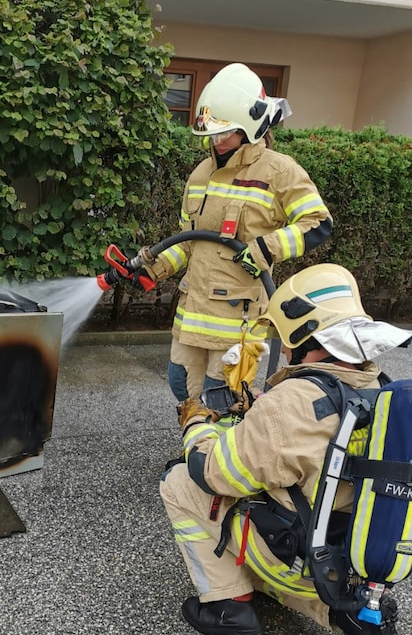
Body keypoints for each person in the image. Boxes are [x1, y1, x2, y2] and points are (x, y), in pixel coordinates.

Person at [159, 263, 410, 635]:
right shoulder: (379, 392)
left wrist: (196, 424)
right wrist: (260, 412)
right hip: (349, 564)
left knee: (178, 482)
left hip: (292, 555)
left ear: (304, 336)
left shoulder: (291, 405)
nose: (284, 349)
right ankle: (346, 615)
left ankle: (229, 606)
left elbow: (215, 474)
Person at [140, 62, 333, 402]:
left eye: (226, 131)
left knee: (222, 397)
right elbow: (188, 242)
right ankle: (198, 452)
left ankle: (221, 454)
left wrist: (265, 248)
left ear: (251, 128)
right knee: (181, 386)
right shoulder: (201, 174)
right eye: (213, 132)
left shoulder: (279, 171)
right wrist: (153, 265)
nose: (218, 140)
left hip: (237, 319)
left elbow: (318, 223)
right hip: (191, 314)